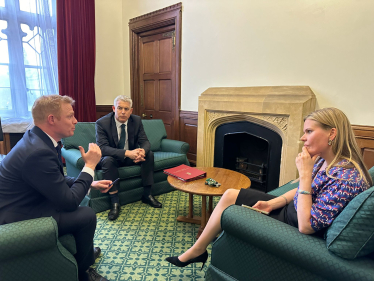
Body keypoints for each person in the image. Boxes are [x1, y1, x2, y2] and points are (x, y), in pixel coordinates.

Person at [166, 107, 373, 269]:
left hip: (295, 223)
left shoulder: (347, 179)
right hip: (290, 209)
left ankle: (197, 251)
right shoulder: (325, 160)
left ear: (332, 133)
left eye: (309, 131)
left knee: (231, 206)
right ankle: (198, 250)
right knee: (229, 194)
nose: (303, 138)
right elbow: (301, 190)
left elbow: (306, 226)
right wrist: (273, 202)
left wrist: (305, 175)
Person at [0, 95, 112, 281]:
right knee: (86, 215)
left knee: (79, 210)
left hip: (25, 202)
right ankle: (82, 271)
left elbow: (54, 178)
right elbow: (69, 203)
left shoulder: (37, 138)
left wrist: (88, 182)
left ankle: (84, 250)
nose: (76, 120)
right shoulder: (38, 152)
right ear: (52, 119)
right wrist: (90, 167)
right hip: (18, 215)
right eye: (70, 116)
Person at [96, 95, 162, 221]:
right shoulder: (102, 123)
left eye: (126, 109)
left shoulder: (136, 120)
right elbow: (103, 148)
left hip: (131, 156)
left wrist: (142, 151)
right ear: (114, 108)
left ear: (131, 111)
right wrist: (127, 153)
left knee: (149, 154)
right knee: (108, 161)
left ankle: (147, 195)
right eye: (120, 108)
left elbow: (145, 141)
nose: (123, 112)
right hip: (112, 158)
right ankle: (115, 202)